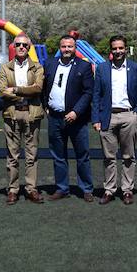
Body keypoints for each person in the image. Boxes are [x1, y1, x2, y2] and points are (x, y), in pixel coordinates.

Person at [92, 35, 137, 205]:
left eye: (120, 48)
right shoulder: (102, 68)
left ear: (125, 49)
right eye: (115, 48)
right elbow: (96, 95)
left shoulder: (135, 68)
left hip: (128, 116)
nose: (118, 51)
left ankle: (127, 190)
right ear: (111, 50)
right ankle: (109, 190)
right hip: (107, 116)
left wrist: (136, 114)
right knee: (109, 157)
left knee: (128, 156)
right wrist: (96, 118)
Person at [43, 34, 95, 202]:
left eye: (70, 47)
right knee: (58, 155)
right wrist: (46, 106)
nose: (66, 49)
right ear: (60, 48)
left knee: (82, 155)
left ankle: (86, 189)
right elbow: (44, 87)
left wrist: (76, 112)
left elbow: (88, 92)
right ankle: (62, 188)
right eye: (64, 46)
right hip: (55, 119)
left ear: (75, 48)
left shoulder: (84, 66)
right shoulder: (50, 64)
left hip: (77, 119)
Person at [0, 33, 45, 204]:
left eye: (25, 45)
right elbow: (2, 92)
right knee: (12, 155)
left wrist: (16, 90)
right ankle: (13, 189)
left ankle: (31, 189)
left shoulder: (37, 67)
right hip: (12, 114)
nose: (22, 47)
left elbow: (38, 89)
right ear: (13, 46)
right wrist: (26, 90)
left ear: (29, 47)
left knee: (32, 155)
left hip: (32, 113)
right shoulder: (4, 68)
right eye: (18, 44)